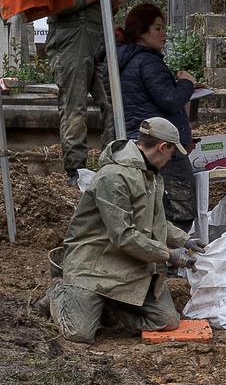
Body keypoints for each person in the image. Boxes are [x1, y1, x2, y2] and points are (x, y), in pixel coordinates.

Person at [49, 117, 192, 342]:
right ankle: (58, 292)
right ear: (163, 147)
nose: (170, 160)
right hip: (95, 265)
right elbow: (124, 235)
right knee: (80, 333)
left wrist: (185, 240)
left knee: (167, 320)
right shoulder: (114, 176)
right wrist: (168, 255)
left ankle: (109, 308)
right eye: (171, 154)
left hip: (130, 264)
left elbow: (155, 221)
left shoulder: (149, 174)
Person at [115, 4, 199, 234]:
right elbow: (170, 100)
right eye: (157, 28)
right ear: (142, 31)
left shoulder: (124, 62)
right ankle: (170, 264)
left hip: (138, 139)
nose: (164, 34)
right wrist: (186, 83)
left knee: (151, 209)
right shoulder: (149, 62)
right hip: (161, 144)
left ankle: (157, 260)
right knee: (179, 209)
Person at [49, 0, 125, 182]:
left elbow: (105, 10)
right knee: (75, 105)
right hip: (72, 41)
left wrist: (115, 3)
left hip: (100, 40)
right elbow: (55, 5)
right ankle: (76, 169)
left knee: (114, 102)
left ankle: (112, 161)